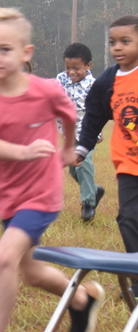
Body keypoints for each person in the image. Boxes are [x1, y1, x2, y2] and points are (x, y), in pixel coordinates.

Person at [0, 8, 104, 332]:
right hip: (6, 196)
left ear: (26, 52)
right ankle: (81, 301)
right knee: (30, 271)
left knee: (3, 257)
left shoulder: (46, 89)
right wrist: (24, 152)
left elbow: (70, 114)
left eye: (4, 49)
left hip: (42, 193)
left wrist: (69, 148)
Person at [77, 15, 138, 296]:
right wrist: (82, 147)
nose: (117, 47)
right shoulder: (109, 79)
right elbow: (94, 114)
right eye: (112, 42)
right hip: (129, 164)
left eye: (126, 41)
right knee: (128, 219)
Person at [56, 43, 105, 221]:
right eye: (68, 67)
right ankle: (94, 190)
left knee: (83, 164)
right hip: (68, 136)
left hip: (87, 135)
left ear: (88, 66)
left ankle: (88, 204)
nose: (71, 72)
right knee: (73, 170)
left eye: (76, 68)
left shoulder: (95, 85)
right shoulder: (61, 79)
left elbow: (101, 111)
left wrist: (98, 132)